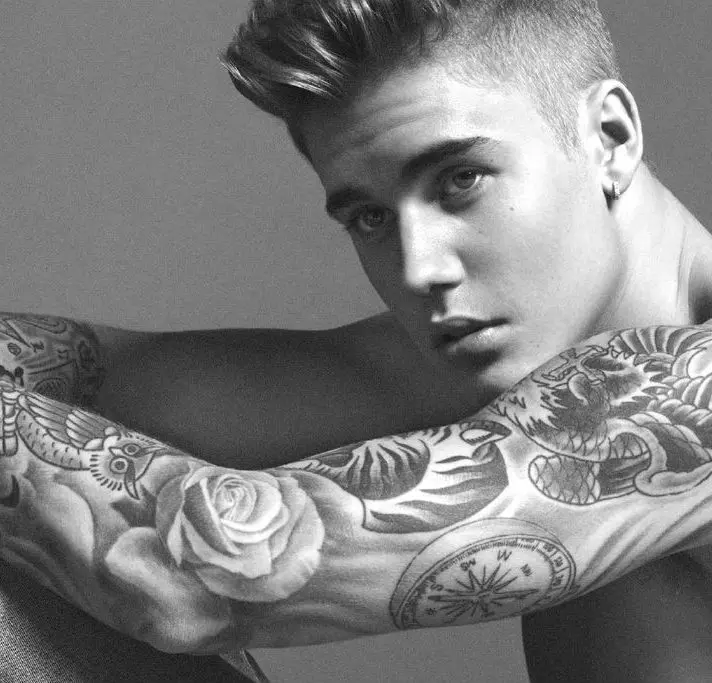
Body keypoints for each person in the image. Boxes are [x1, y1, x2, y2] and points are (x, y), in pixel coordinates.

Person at [3, 2, 712, 683]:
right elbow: (104, 377)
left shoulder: (692, 388)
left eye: (460, 181)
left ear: (610, 137)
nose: (418, 269)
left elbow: (183, 580)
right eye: (370, 217)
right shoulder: (495, 360)